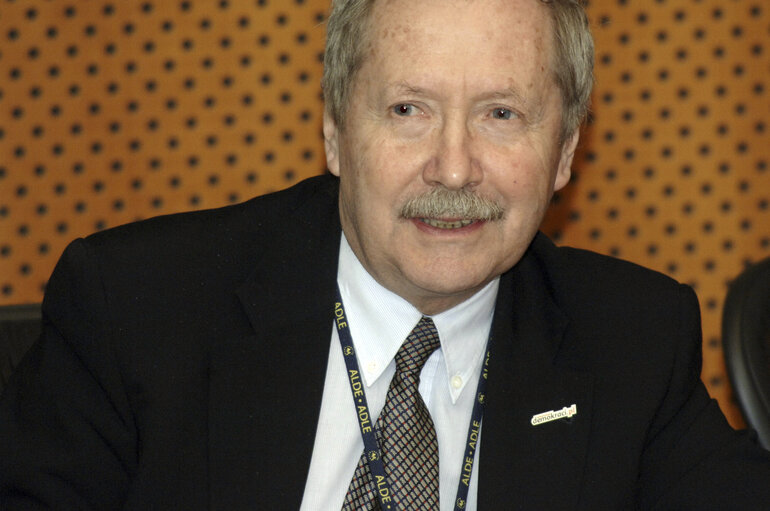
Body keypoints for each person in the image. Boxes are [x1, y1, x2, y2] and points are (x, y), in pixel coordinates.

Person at [1, 0, 769, 509]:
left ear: (565, 152)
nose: (455, 166)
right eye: (409, 110)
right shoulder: (136, 308)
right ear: (336, 129)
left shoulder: (630, 342)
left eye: (502, 114)